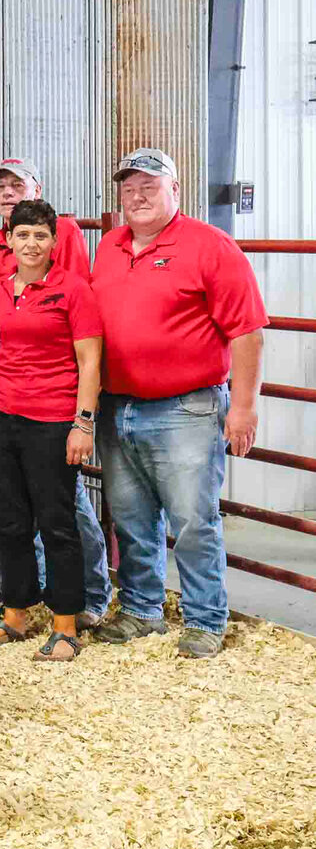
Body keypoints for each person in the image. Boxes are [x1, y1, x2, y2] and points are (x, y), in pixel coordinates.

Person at [91, 148, 268, 659]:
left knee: (192, 519)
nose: (138, 196)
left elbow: (248, 333)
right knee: (130, 516)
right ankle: (143, 611)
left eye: (150, 186)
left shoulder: (210, 246)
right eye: (129, 188)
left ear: (175, 191)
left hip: (185, 408)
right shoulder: (110, 246)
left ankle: (205, 618)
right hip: (117, 404)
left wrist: (243, 407)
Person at [0, 156, 112, 633]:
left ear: (55, 242)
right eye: (22, 235)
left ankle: (65, 625)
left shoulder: (73, 290)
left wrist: (82, 422)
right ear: (7, 240)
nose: (31, 243)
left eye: (40, 235)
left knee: (56, 523)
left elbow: (90, 361)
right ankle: (15, 615)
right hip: (0, 416)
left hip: (52, 420)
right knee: (8, 522)